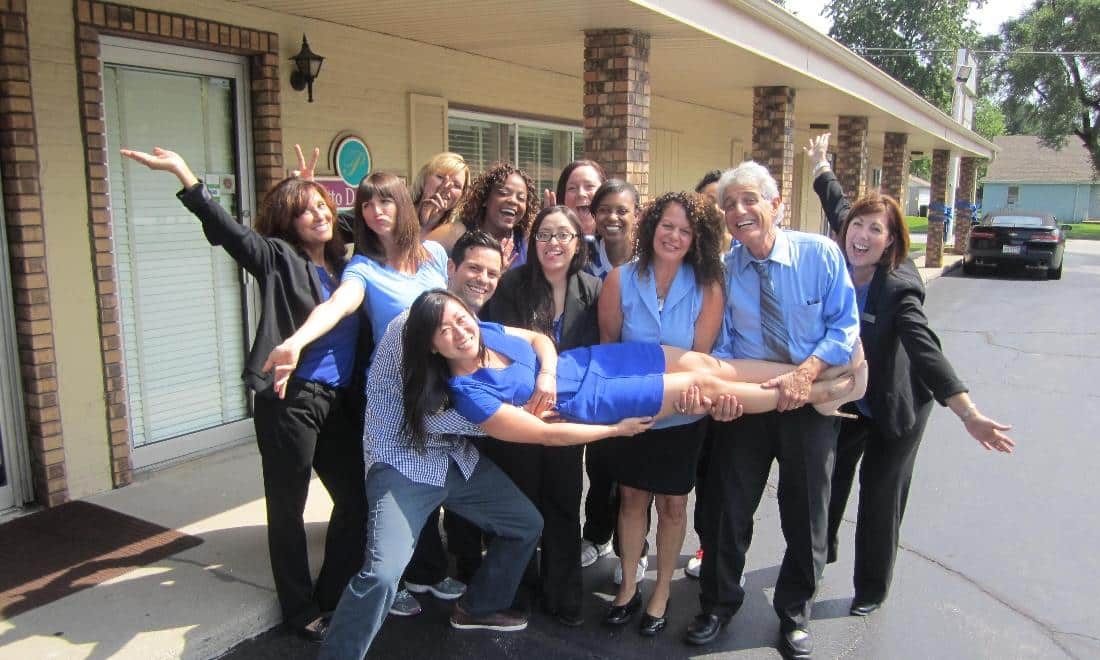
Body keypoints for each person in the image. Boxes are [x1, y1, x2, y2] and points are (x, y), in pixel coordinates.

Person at [118, 147, 366, 643]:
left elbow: (359, 221)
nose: (319, 216)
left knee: (357, 499)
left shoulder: (346, 263)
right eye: (305, 212)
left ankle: (333, 593)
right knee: (288, 509)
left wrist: (308, 187)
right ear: (288, 223)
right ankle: (300, 610)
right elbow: (229, 232)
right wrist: (185, 175)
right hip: (290, 400)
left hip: (338, 402)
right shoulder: (277, 258)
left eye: (322, 207)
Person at [806, 133, 1015, 617]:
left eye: (875, 230)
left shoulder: (899, 287)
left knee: (880, 495)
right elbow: (836, 201)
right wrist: (819, 163)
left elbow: (926, 352)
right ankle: (820, 554)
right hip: (849, 398)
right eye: (858, 226)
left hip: (897, 405)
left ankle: (871, 588)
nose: (862, 235)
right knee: (827, 480)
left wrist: (969, 413)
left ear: (892, 242)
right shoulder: (844, 255)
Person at [315, 231, 543, 660]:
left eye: (492, 272)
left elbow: (534, 340)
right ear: (451, 269)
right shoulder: (412, 327)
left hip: (454, 460)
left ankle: (478, 607)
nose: (482, 279)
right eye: (473, 268)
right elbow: (429, 416)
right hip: (402, 465)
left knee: (525, 523)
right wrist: (522, 419)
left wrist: (546, 377)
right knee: (382, 574)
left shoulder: (472, 326)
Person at [262, 171, 466, 615]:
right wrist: (296, 341)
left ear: (402, 205)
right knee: (395, 487)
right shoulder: (362, 268)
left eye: (385, 202)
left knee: (431, 479)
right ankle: (394, 579)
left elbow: (458, 310)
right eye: (367, 205)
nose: (376, 212)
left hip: (435, 390)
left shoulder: (433, 255)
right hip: (391, 395)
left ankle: (425, 569)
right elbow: (336, 306)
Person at [686, 160, 861, 660]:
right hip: (751, 402)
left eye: (749, 200)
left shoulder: (820, 254)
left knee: (806, 512)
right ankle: (717, 605)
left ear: (776, 204)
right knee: (726, 508)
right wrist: (725, 397)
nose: (738, 211)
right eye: (729, 204)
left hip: (810, 400)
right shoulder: (724, 270)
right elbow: (721, 345)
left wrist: (805, 373)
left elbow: (844, 326)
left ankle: (795, 613)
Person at [405, 290, 863, 440]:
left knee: (709, 364)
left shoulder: (486, 330)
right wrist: (613, 431)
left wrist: (545, 372)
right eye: (444, 330)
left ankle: (815, 372)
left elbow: (541, 340)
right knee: (702, 386)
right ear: (432, 346)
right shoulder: (470, 394)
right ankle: (815, 395)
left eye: (460, 318)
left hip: (596, 360)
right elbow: (545, 434)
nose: (459, 331)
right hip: (593, 399)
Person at [597, 191, 726, 635]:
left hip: (682, 415)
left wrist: (685, 395)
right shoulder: (620, 280)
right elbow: (610, 350)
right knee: (631, 498)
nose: (673, 236)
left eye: (685, 230)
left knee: (673, 504)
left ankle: (662, 592)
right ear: (652, 227)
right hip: (634, 412)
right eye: (667, 225)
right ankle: (628, 587)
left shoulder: (708, 287)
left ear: (697, 239)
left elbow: (701, 361)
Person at [478, 205, 600, 626]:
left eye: (564, 235)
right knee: (521, 504)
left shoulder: (592, 288)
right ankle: (516, 591)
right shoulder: (512, 285)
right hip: (521, 411)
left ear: (578, 242)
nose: (553, 243)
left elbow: (598, 352)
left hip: (568, 414)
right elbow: (502, 349)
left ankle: (563, 594)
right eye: (545, 235)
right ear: (534, 242)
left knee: (564, 503)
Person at [685, 168, 728, 581]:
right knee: (694, 474)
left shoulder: (743, 262)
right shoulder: (688, 262)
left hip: (733, 384)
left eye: (723, 203)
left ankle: (715, 550)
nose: (716, 210)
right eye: (708, 202)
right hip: (692, 384)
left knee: (721, 480)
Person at [459, 163, 538, 269]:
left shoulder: (528, 244)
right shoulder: (459, 233)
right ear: (485, 198)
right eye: (503, 193)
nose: (513, 201)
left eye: (521, 198)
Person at [413, 152, 472, 251]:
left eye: (456, 185)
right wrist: (423, 224)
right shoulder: (398, 213)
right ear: (424, 178)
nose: (446, 186)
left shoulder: (455, 233)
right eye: (440, 177)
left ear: (462, 195)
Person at [545, 159, 606, 238]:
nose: (581, 193)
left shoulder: (618, 241)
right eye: (572, 188)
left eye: (589, 186)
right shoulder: (550, 241)